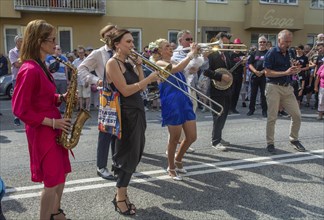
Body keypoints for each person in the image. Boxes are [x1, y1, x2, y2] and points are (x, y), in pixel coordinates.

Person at [11, 19, 72, 220]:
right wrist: (53, 122)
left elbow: (44, 98)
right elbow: (20, 110)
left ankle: (55, 211)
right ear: (39, 41)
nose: (55, 43)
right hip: (43, 130)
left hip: (54, 126)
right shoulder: (29, 69)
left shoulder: (42, 65)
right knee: (51, 180)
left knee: (62, 172)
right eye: (52, 39)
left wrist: (61, 98)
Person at [105, 28, 159, 215]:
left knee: (135, 154)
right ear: (117, 44)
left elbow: (140, 87)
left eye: (132, 42)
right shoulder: (113, 63)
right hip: (126, 114)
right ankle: (120, 198)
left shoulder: (126, 62)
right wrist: (150, 78)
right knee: (127, 156)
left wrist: (138, 67)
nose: (132, 45)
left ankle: (123, 194)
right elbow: (126, 90)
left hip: (137, 110)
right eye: (128, 42)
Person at [150, 38, 199, 181]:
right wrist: (190, 54)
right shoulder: (159, 63)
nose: (171, 48)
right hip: (171, 102)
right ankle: (171, 167)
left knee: (191, 137)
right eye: (167, 47)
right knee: (174, 138)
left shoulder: (175, 61)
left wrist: (196, 55)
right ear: (159, 50)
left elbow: (188, 68)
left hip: (184, 99)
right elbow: (175, 70)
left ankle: (178, 159)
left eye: (171, 46)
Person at [78, 24, 118, 180]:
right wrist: (97, 81)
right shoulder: (98, 53)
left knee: (119, 134)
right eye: (109, 34)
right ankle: (101, 167)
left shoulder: (122, 50)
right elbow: (81, 69)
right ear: (104, 37)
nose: (112, 36)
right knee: (105, 133)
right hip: (107, 96)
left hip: (123, 95)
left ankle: (117, 164)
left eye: (115, 33)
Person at [264, 29, 306, 154]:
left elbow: (293, 69)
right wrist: (285, 72)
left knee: (297, 115)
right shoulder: (271, 52)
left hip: (287, 87)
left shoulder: (291, 51)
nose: (288, 44)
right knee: (272, 117)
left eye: (289, 41)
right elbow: (267, 72)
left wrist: (296, 69)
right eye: (285, 41)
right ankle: (270, 143)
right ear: (279, 40)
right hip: (273, 87)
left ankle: (294, 139)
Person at [203, 32, 233, 150]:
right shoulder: (212, 54)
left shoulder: (226, 55)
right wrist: (220, 77)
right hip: (215, 89)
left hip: (226, 88)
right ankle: (215, 141)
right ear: (218, 41)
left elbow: (229, 70)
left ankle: (219, 137)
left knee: (224, 114)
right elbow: (206, 71)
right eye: (223, 43)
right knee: (218, 114)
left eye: (227, 43)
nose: (225, 45)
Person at [247, 35, 268, 117]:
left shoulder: (268, 53)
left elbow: (270, 65)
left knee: (264, 95)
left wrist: (262, 71)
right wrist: (255, 71)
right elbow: (249, 64)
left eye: (264, 42)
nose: (262, 43)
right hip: (254, 76)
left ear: (266, 43)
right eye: (260, 42)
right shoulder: (254, 53)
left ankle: (264, 111)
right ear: (258, 43)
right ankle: (251, 110)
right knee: (253, 94)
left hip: (264, 76)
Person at [46, 45, 69, 113]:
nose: (59, 51)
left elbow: (66, 69)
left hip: (63, 79)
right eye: (58, 49)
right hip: (54, 79)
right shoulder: (49, 58)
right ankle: (55, 109)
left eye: (60, 49)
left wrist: (67, 79)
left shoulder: (64, 58)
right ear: (54, 50)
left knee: (63, 94)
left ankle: (62, 109)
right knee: (54, 94)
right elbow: (47, 69)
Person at [9, 35, 23, 126]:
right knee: (16, 97)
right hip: (16, 78)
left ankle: (24, 115)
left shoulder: (25, 51)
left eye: (23, 41)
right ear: (16, 42)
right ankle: (16, 117)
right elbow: (17, 64)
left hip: (25, 77)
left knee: (25, 96)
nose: (22, 43)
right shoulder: (12, 52)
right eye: (20, 41)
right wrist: (25, 60)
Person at [229, 38, 246, 114]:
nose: (237, 46)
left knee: (237, 92)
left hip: (239, 75)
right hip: (232, 75)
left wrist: (244, 77)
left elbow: (245, 67)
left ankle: (234, 108)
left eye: (238, 45)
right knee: (231, 92)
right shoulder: (230, 54)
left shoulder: (242, 54)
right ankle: (229, 108)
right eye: (236, 45)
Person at [72, 46, 90, 111]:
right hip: (78, 80)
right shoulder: (75, 61)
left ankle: (87, 108)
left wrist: (87, 80)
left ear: (84, 53)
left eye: (82, 52)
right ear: (77, 53)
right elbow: (73, 70)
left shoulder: (87, 60)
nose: (81, 54)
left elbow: (89, 71)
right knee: (80, 95)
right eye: (79, 53)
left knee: (87, 95)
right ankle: (81, 108)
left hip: (86, 79)